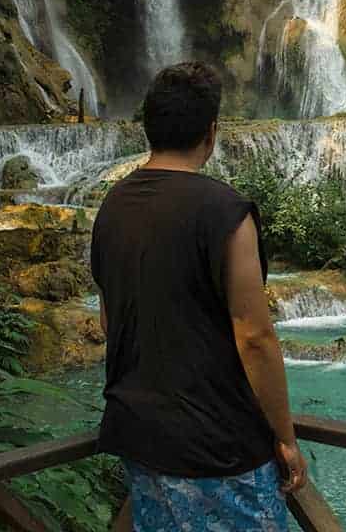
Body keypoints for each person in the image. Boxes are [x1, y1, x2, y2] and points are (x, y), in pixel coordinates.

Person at [91, 61, 307, 531]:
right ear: (211, 133)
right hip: (219, 448)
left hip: (142, 440)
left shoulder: (111, 207)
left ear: (148, 126)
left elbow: (110, 321)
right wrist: (286, 438)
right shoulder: (226, 211)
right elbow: (254, 338)